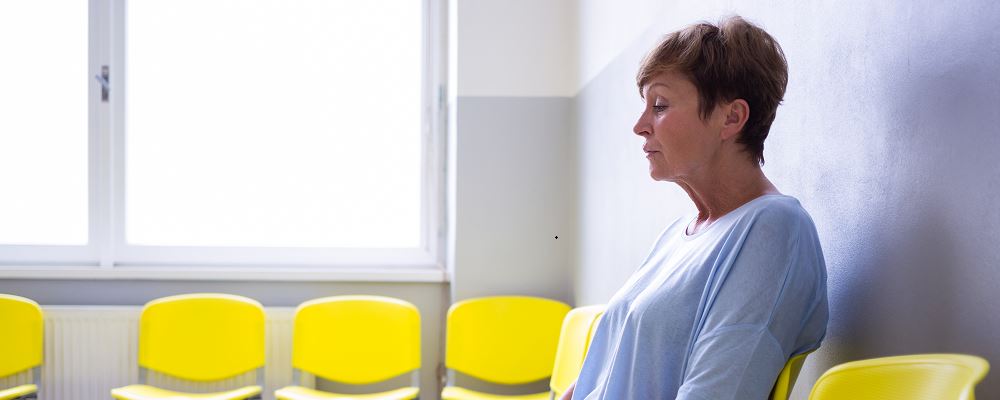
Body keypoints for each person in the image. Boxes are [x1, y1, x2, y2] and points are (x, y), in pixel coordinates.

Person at [563, 16, 829, 400]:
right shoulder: (677, 235)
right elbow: (602, 377)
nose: (639, 125)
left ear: (731, 117)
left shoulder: (775, 229)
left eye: (659, 105)